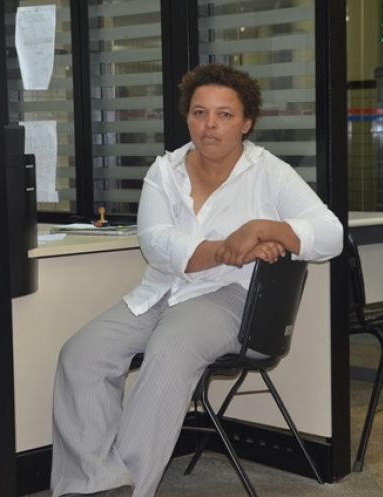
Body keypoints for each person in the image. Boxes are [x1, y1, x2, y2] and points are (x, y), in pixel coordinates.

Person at [51, 63, 343, 497]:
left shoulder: (269, 171)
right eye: (199, 113)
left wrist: (263, 229)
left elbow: (331, 233)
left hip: (230, 298)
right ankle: (94, 484)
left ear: (246, 123)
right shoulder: (164, 172)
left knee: (173, 344)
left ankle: (133, 488)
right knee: (82, 353)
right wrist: (230, 247)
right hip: (163, 291)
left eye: (225, 115)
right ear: (187, 117)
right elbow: (157, 244)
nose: (210, 125)